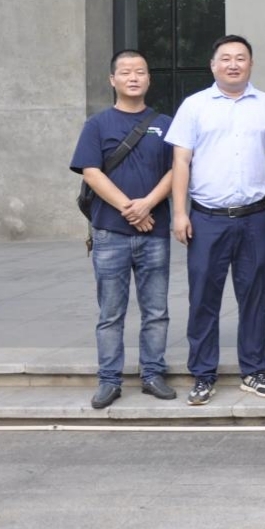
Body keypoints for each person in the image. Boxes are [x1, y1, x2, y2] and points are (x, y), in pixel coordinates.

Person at [167, 34, 265, 406]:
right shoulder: (194, 106)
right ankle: (203, 374)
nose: (233, 64)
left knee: (255, 296)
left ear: (251, 64)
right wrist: (180, 213)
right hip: (207, 219)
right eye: (226, 58)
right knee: (204, 297)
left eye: (240, 58)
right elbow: (181, 161)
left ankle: (254, 370)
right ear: (213, 64)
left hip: (254, 218)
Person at [70, 50, 175, 409]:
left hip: (154, 233)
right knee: (111, 313)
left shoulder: (166, 124)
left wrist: (148, 204)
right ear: (112, 80)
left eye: (140, 72)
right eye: (126, 72)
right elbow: (91, 172)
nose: (133, 77)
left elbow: (178, 170)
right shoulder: (97, 124)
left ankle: (153, 374)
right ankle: (109, 380)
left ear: (149, 79)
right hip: (109, 233)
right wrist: (131, 209)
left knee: (156, 310)